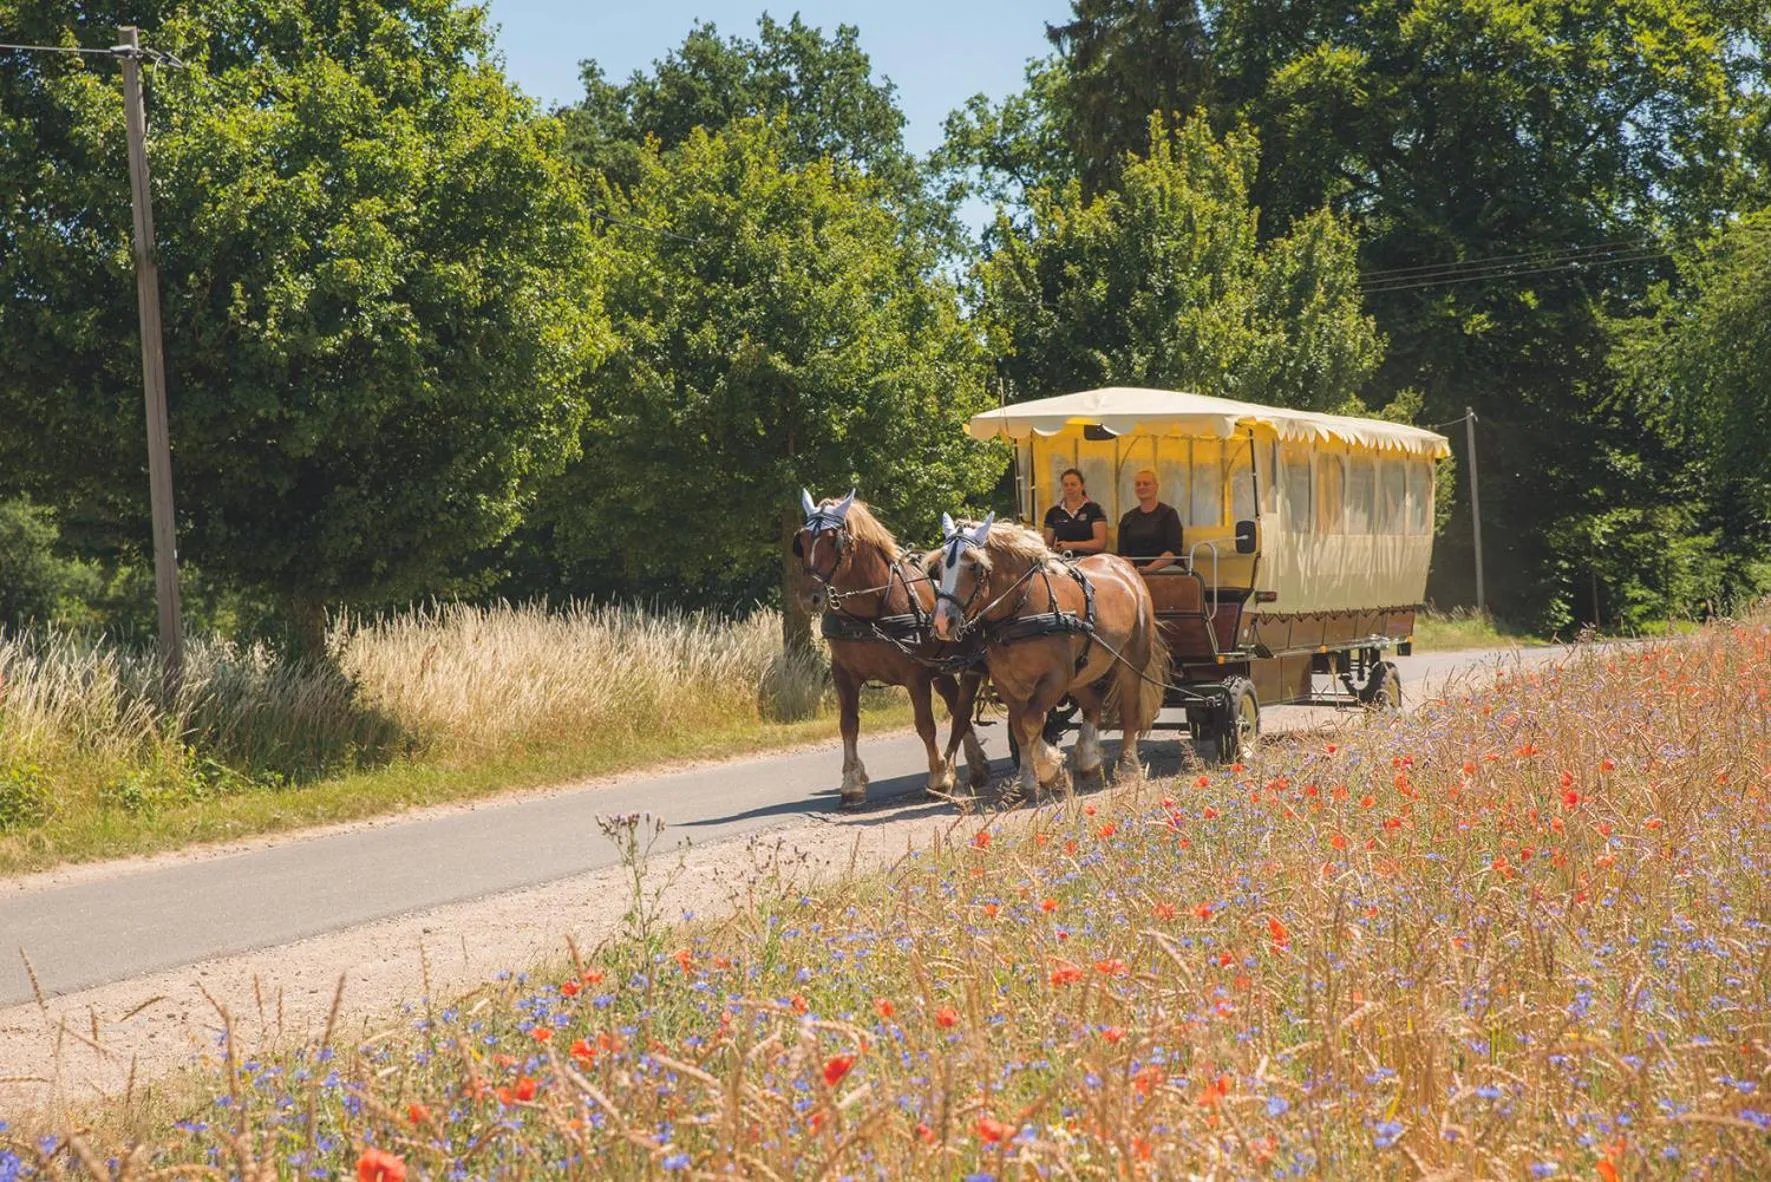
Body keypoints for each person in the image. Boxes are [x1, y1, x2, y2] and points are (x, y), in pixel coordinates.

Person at [1117, 469, 1184, 572]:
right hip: (1135, 570)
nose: (1141, 487)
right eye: (1138, 484)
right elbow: (1123, 553)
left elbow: (1173, 552)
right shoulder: (1127, 518)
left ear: (1156, 487)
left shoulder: (1169, 514)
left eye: (1146, 484)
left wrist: (1149, 569)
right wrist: (1133, 571)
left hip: (1165, 569)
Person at [1042, 468, 1108, 555]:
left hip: (1090, 561)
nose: (1069, 488)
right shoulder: (1053, 512)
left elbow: (1100, 544)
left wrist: (1072, 545)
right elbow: (1047, 544)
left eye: (1073, 484)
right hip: (1062, 562)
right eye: (1066, 485)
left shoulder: (1095, 510)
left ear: (1082, 486)